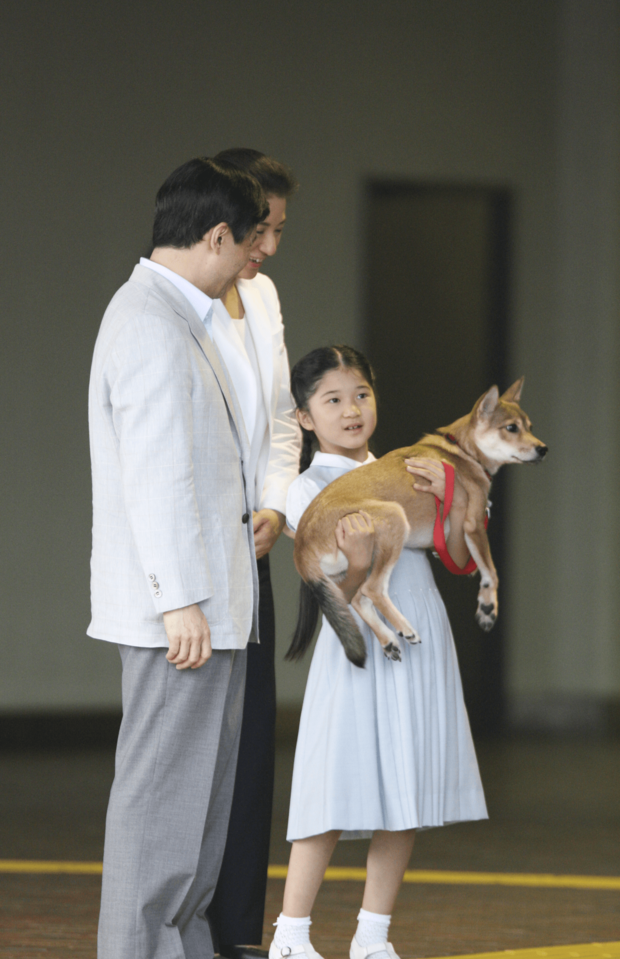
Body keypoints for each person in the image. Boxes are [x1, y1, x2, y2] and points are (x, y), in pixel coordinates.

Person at [88, 157, 268, 959]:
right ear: (217, 235)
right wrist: (178, 598)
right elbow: (156, 474)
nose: (254, 261)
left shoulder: (180, 318)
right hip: (182, 614)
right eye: (251, 243)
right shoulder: (149, 322)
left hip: (208, 606)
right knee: (161, 803)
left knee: (198, 814)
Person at [270, 346, 488, 959]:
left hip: (418, 630)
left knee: (405, 788)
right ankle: (290, 936)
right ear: (305, 417)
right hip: (358, 643)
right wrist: (360, 561)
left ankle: (372, 936)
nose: (351, 410)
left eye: (361, 395)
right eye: (333, 400)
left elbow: (460, 556)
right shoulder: (306, 490)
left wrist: (454, 499)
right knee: (332, 786)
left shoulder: (404, 470)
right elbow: (332, 593)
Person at [206, 148, 301, 959]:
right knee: (197, 745)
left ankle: (237, 930)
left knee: (252, 741)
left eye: (277, 231)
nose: (268, 246)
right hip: (201, 547)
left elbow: (281, 419)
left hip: (256, 541)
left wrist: (276, 503)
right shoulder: (180, 299)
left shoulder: (263, 296)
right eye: (260, 227)